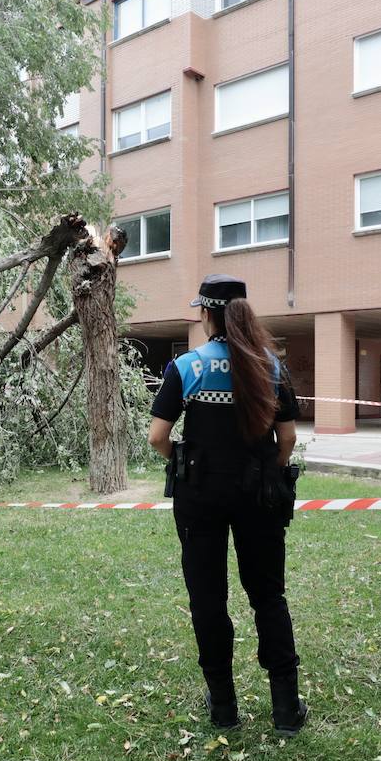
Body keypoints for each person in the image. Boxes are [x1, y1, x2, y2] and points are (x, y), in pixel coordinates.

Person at [147, 274, 307, 736]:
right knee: (268, 596)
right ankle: (285, 709)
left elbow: (158, 436)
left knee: (208, 599)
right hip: (259, 496)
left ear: (207, 313)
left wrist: (184, 460)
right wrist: (265, 471)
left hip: (200, 496)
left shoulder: (187, 366)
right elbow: (288, 438)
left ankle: (223, 708)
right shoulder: (270, 367)